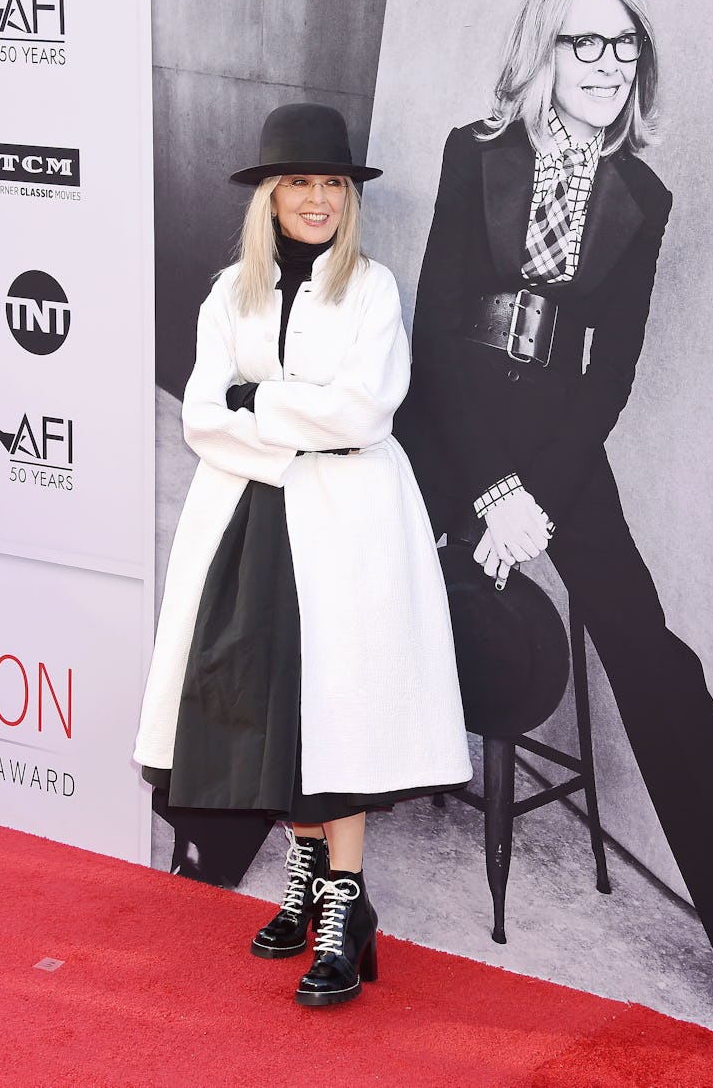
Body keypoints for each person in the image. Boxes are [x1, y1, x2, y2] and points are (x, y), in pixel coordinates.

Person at [397, 0, 713, 1054]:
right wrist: (485, 490)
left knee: (652, 652)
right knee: (346, 558)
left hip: (559, 445)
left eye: (624, 43)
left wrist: (537, 495)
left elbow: (611, 369)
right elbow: (436, 335)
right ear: (545, 43)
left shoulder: (644, 195)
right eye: (586, 38)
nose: (607, 61)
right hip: (453, 421)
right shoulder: (472, 152)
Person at [134, 102, 472, 1007]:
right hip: (248, 524)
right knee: (273, 707)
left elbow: (366, 411)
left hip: (352, 523)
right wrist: (291, 421)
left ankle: (345, 908)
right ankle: (307, 879)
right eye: (299, 183)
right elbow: (201, 416)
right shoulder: (226, 292)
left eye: (332, 183)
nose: (317, 199)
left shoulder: (371, 288)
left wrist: (260, 404)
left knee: (340, 708)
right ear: (269, 196)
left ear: (347, 197)